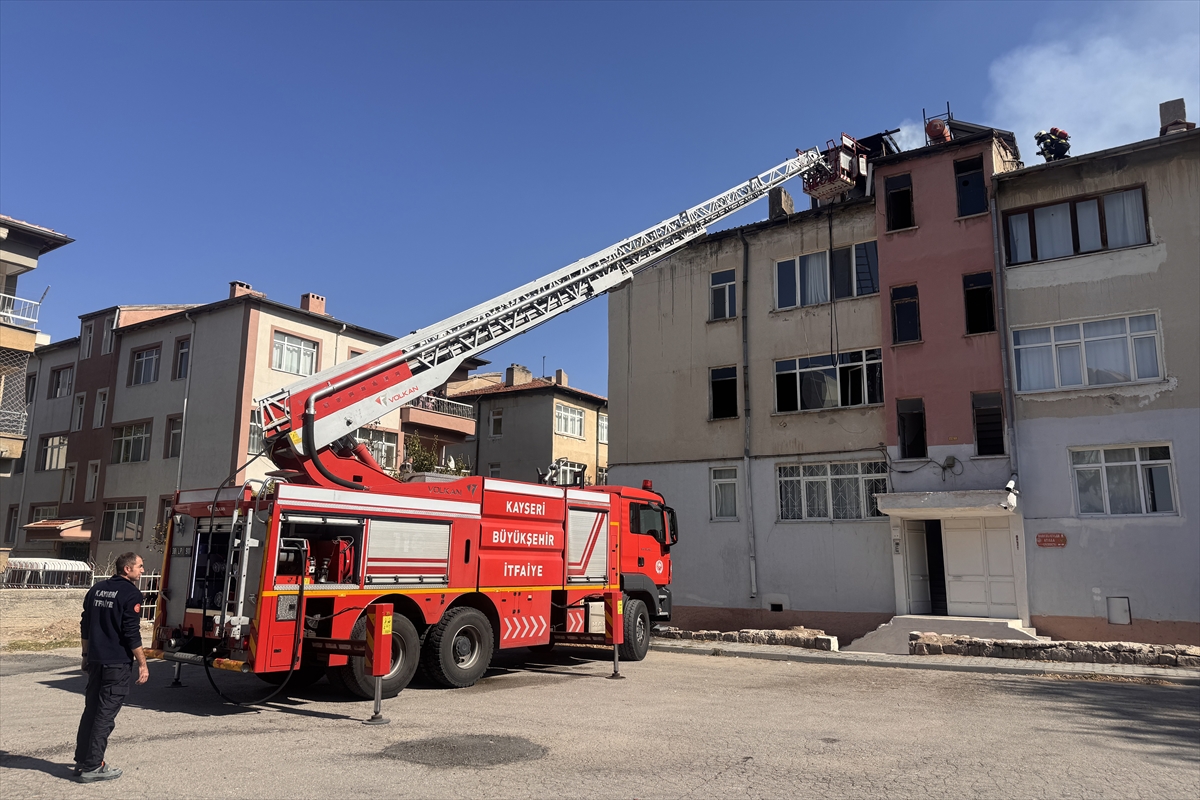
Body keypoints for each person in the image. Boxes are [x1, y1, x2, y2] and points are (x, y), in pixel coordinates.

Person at [74, 552, 150, 782]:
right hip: (116, 664)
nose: (143, 571)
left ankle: (82, 760)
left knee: (91, 711)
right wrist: (143, 664)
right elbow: (131, 633)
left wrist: (85, 655)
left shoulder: (96, 589)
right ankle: (93, 766)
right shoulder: (131, 594)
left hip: (96, 660)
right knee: (105, 715)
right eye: (140, 566)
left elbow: (85, 625)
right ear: (127, 569)